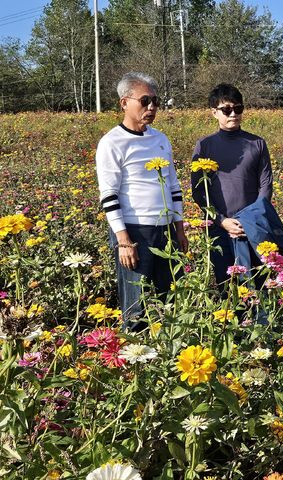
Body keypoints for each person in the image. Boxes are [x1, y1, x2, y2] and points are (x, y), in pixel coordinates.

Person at [95, 72, 188, 330]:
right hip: (136, 232)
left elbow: (173, 186)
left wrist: (179, 228)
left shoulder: (160, 139)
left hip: (167, 231)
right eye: (145, 100)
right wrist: (124, 241)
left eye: (155, 102)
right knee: (137, 305)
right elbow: (109, 195)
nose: (151, 107)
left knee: (171, 300)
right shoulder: (112, 143)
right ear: (125, 102)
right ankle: (135, 362)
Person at [191, 84, 273, 288]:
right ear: (214, 112)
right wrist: (221, 221)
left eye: (238, 108)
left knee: (257, 284)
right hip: (219, 228)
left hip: (252, 227)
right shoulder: (205, 145)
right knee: (227, 285)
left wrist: (250, 220)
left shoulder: (257, 143)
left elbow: (265, 185)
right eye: (226, 110)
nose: (233, 114)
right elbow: (199, 191)